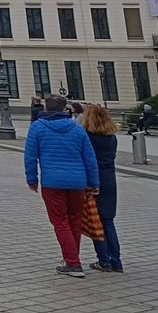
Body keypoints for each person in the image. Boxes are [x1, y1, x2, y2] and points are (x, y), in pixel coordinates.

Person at [23, 94, 99, 278]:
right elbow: (90, 159)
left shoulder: (38, 128)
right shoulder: (77, 129)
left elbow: (30, 157)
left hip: (52, 183)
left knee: (60, 222)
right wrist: (94, 182)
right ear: (65, 109)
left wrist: (32, 180)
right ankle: (72, 258)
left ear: (46, 108)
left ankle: (73, 263)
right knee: (74, 220)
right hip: (77, 182)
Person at [82, 105, 122, 272]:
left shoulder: (88, 136)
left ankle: (103, 260)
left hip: (94, 180)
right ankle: (116, 261)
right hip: (109, 179)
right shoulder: (111, 137)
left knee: (95, 222)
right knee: (108, 221)